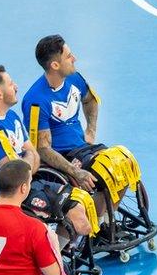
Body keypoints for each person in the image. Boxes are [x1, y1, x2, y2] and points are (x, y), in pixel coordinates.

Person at [0, 65, 92, 237]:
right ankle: (52, 259)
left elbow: (34, 154)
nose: (16, 86)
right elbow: (16, 173)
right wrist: (29, 159)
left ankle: (60, 253)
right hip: (1, 195)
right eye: (11, 84)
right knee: (79, 222)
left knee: (79, 203)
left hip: (26, 185)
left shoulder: (11, 116)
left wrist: (28, 161)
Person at [21, 35, 99, 193]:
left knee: (120, 164)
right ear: (55, 65)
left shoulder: (75, 79)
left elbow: (91, 101)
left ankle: (102, 211)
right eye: (69, 56)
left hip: (83, 148)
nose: (74, 59)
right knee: (106, 172)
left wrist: (90, 130)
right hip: (64, 157)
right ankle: (90, 215)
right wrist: (75, 172)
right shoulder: (35, 101)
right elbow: (42, 149)